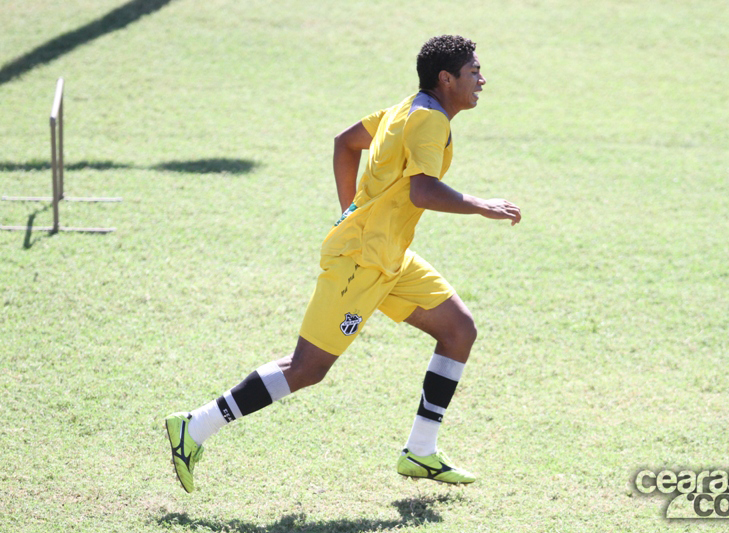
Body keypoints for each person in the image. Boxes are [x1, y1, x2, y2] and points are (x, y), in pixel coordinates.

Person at [165, 34, 521, 493]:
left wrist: (351, 210)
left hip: (388, 256)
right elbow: (423, 191)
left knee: (458, 329)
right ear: (446, 78)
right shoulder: (428, 122)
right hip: (360, 261)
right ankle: (194, 427)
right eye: (474, 72)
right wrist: (482, 204)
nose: (482, 80)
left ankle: (421, 450)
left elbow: (345, 142)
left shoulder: (406, 108)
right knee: (307, 368)